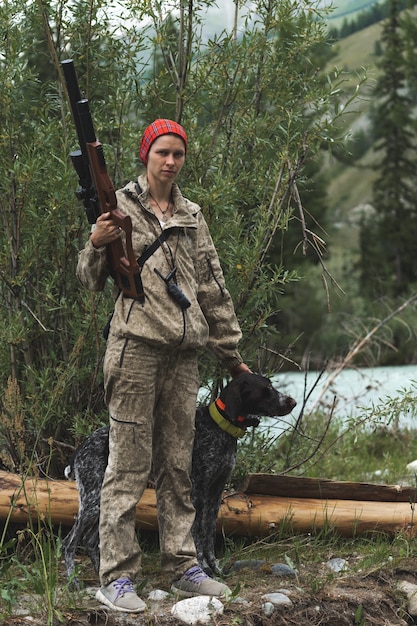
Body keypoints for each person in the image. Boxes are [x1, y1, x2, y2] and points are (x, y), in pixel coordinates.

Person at [76, 119, 250, 613]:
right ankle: (117, 576)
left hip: (184, 357)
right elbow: (88, 279)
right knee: (127, 465)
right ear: (145, 155)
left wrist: (232, 355)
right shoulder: (119, 207)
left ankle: (182, 565)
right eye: (162, 153)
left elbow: (213, 288)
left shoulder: (192, 215)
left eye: (178, 154)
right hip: (134, 351)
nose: (170, 162)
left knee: (178, 465)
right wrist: (96, 240)